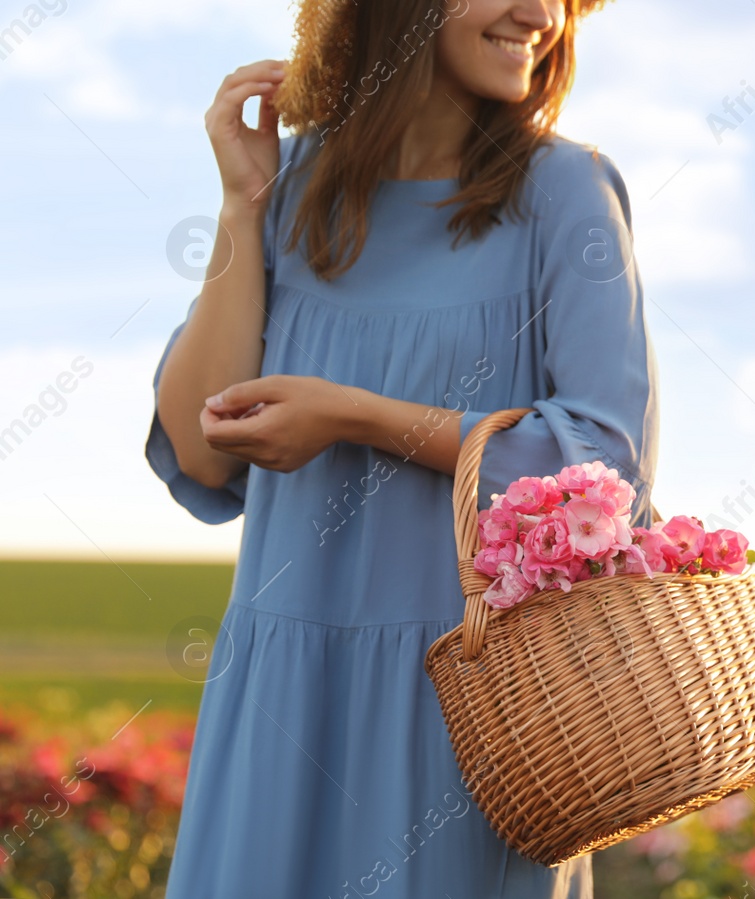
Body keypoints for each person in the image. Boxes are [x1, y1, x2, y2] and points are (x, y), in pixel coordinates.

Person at [145, 0, 656, 895]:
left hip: (474, 707)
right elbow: (200, 449)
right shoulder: (289, 182)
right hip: (279, 695)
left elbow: (605, 470)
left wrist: (356, 415)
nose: (537, 14)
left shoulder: (565, 190)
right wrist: (242, 205)